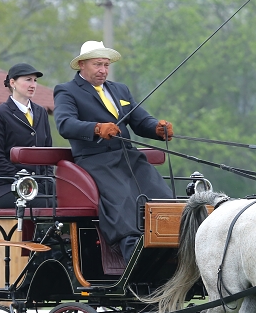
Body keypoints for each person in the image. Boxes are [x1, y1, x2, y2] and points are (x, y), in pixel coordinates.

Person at [53, 40, 174, 262]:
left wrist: (156, 127)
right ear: (82, 64)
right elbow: (65, 124)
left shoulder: (119, 89)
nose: (103, 70)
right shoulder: (67, 91)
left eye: (106, 65)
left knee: (161, 195)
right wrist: (96, 128)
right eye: (98, 64)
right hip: (95, 161)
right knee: (123, 201)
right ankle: (133, 255)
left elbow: (140, 120)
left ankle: (170, 247)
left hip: (128, 158)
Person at [0, 63, 54, 209]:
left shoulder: (41, 112)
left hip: (41, 186)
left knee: (74, 200)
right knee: (52, 204)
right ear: (12, 83)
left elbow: (48, 151)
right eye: (28, 80)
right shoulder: (0, 114)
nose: (33, 85)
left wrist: (47, 179)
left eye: (35, 80)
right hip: (9, 188)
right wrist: (23, 177)